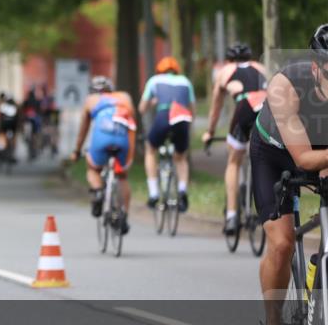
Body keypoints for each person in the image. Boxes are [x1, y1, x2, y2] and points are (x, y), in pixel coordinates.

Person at [252, 25, 328, 325]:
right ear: (316, 68)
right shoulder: (285, 87)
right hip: (275, 155)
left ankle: (318, 279)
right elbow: (303, 159)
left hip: (322, 152)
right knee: (282, 243)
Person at [201, 43, 268, 234]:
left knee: (233, 162)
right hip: (267, 107)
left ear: (229, 60)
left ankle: (231, 216)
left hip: (245, 106)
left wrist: (210, 132)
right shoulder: (261, 67)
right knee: (266, 158)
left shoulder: (225, 71)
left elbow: (216, 107)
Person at [70, 76, 136, 233]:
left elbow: (84, 130)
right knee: (123, 176)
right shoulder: (124, 97)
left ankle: (98, 190)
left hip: (102, 137)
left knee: (93, 168)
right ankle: (124, 216)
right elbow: (132, 121)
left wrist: (77, 151)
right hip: (122, 137)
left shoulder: (91, 100)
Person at [139, 56, 196, 213]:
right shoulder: (186, 82)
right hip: (182, 117)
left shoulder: (154, 80)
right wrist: (189, 129)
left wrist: (152, 104)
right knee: (181, 157)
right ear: (176, 71)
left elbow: (142, 108)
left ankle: (153, 193)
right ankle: (182, 191)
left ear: (160, 71)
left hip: (164, 115)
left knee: (150, 149)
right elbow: (193, 110)